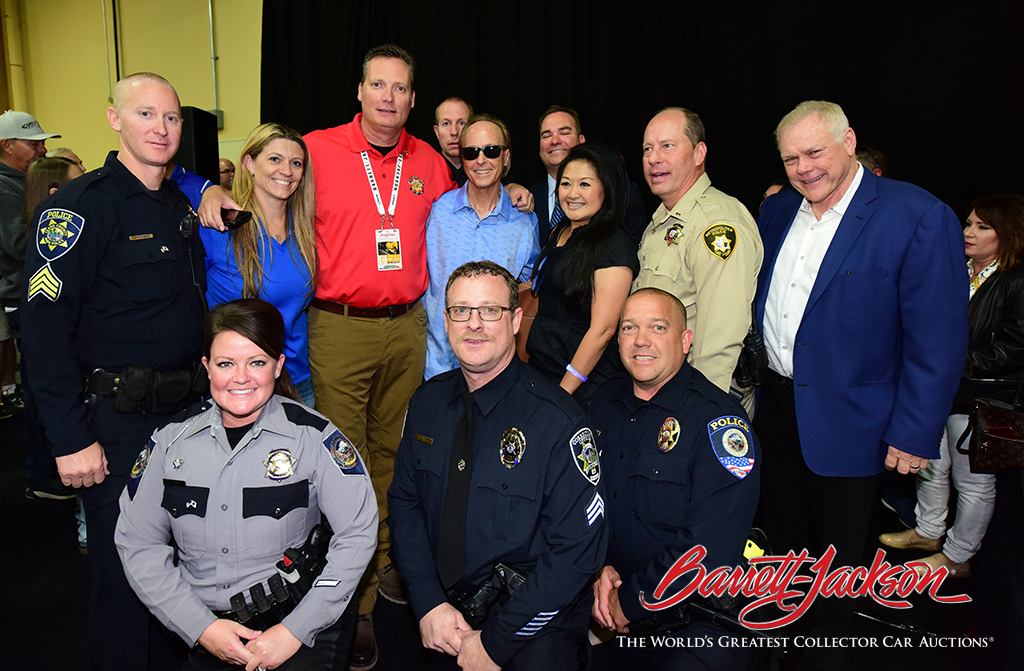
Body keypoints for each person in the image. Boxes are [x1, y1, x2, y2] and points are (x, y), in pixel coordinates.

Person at [198, 44, 454, 668]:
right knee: (347, 463)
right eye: (378, 85)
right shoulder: (317, 150)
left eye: (401, 88)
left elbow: (467, 201)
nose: (389, 97)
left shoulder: (430, 162)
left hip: (408, 323)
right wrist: (203, 183)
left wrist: (522, 191)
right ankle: (355, 604)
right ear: (360, 92)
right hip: (339, 327)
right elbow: (261, 174)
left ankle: (389, 561)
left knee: (397, 451)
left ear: (412, 99)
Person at [754, 100, 967, 670]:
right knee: (783, 545)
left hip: (857, 422)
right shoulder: (776, 214)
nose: (804, 168)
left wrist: (916, 433)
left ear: (849, 140)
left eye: (814, 152)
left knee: (838, 564)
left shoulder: (917, 214)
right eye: (791, 158)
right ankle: (783, 642)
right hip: (776, 409)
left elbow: (937, 340)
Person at [20, 72, 208, 671]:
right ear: (114, 119)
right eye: (146, 114)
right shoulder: (78, 208)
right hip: (118, 423)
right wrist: (71, 438)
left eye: (172, 118)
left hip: (183, 419)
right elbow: (43, 332)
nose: (161, 128)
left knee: (179, 571)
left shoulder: (178, 205)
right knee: (126, 578)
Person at [115, 298, 377, 671]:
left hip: (300, 622)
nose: (241, 378)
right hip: (204, 627)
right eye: (226, 364)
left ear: (278, 366)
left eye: (257, 362)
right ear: (206, 367)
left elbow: (358, 534)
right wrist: (200, 627)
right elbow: (137, 542)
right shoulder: (169, 444)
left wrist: (294, 631)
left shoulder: (315, 438)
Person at [389, 260, 607, 670]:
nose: (474, 324)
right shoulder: (427, 402)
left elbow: (576, 553)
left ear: (515, 319)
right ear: (446, 319)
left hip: (531, 624)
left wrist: (496, 643)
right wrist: (427, 601)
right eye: (461, 311)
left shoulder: (558, 422)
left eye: (490, 310)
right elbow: (404, 503)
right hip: (443, 617)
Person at [590, 288, 758, 670]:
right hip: (608, 598)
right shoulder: (603, 403)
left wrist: (629, 601)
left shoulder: (719, 424)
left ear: (685, 341)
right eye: (629, 327)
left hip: (695, 617)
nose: (641, 340)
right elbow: (581, 501)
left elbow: (708, 553)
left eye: (658, 327)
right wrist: (596, 569)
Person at [880, 194, 1024, 577]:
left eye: (982, 226)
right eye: (968, 223)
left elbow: (1015, 347)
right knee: (930, 464)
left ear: (1007, 233)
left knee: (973, 480)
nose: (968, 232)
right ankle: (928, 532)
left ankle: (959, 556)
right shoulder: (954, 268)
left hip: (983, 397)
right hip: (937, 389)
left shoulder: (1017, 282)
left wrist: (947, 365)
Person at [635, 107, 763, 414]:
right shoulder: (662, 220)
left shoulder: (715, 224)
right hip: (663, 393)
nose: (654, 158)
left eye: (667, 146)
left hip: (698, 401)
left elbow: (720, 341)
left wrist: (696, 414)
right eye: (647, 149)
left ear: (698, 153)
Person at [201, 123, 318, 407]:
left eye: (296, 163)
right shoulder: (218, 226)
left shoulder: (306, 231)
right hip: (238, 382)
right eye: (274, 159)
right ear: (249, 163)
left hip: (297, 379)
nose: (287, 171)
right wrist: (208, 189)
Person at [423, 114, 539, 380]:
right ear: (462, 159)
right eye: (472, 152)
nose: (482, 160)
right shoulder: (437, 211)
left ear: (506, 157)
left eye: (492, 151)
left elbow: (529, 286)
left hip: (497, 371)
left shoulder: (523, 221)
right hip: (438, 366)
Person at [526, 144, 638, 404]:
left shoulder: (615, 245)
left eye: (585, 184)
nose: (572, 194)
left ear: (606, 189)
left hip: (582, 386)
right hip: (540, 370)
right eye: (565, 184)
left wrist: (563, 392)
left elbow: (603, 331)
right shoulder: (560, 232)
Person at [0, 111, 59, 425]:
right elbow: (20, 245)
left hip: (35, 292)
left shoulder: (24, 182)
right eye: (33, 143)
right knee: (42, 384)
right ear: (7, 146)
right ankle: (40, 463)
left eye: (43, 143)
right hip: (23, 295)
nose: (43, 149)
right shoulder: (3, 187)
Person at [527, 106, 646, 243]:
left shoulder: (622, 191)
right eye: (547, 135)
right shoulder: (524, 198)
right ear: (539, 149)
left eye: (564, 133)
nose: (555, 141)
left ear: (581, 140)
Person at [433, 97, 473, 186]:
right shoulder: (426, 172)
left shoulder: (485, 171)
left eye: (461, 123)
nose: (454, 132)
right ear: (437, 132)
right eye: (446, 124)